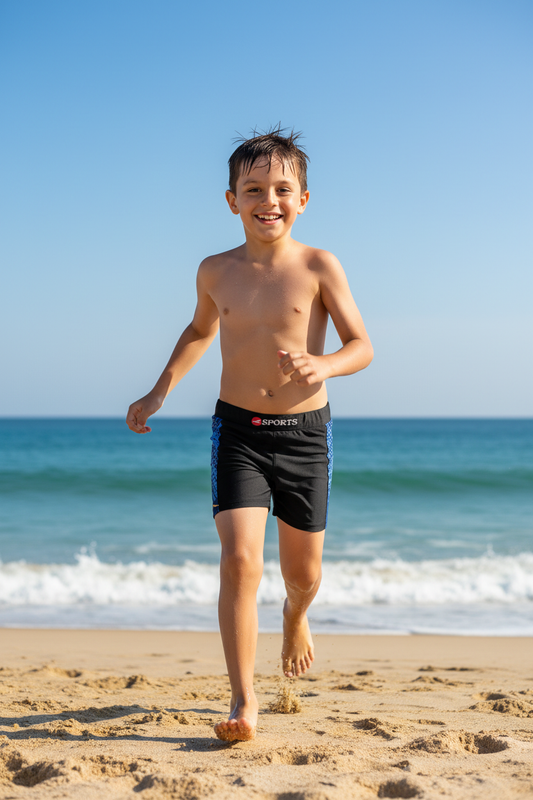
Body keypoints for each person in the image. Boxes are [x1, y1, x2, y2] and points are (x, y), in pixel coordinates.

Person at [126, 127, 373, 742]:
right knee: (239, 562)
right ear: (232, 199)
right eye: (254, 187)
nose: (270, 199)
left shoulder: (320, 266)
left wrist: (326, 364)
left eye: (283, 188)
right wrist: (159, 391)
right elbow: (199, 332)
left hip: (305, 435)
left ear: (304, 199)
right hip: (236, 431)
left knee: (304, 575)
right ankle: (243, 700)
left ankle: (297, 617)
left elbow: (362, 346)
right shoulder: (215, 270)